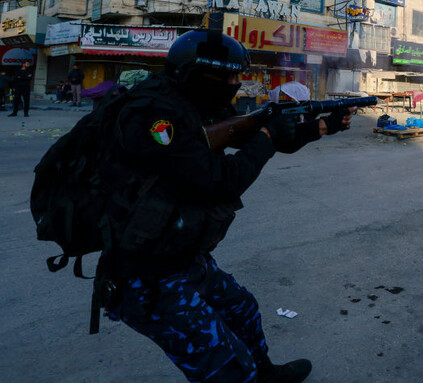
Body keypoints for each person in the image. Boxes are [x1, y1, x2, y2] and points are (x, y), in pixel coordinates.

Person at [97, 29, 354, 382]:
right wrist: (267, 137)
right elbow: (221, 181)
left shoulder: (198, 105)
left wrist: (322, 126)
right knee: (228, 370)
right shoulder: (158, 119)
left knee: (241, 308)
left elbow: (260, 138)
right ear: (195, 74)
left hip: (183, 258)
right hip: (144, 274)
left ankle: (264, 374)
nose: (235, 83)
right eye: (228, 76)